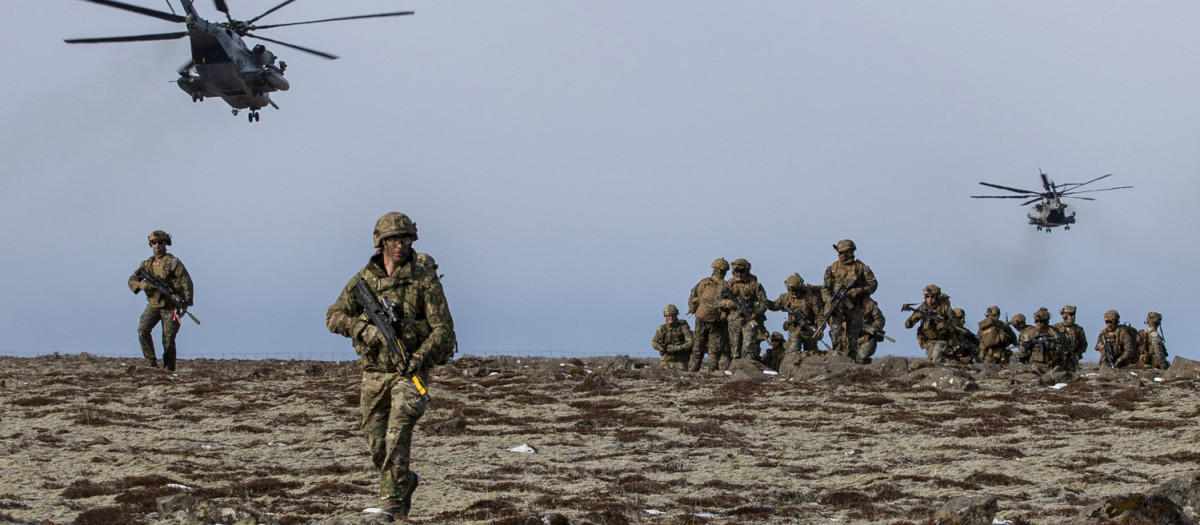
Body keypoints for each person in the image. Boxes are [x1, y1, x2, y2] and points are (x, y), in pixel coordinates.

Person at [326, 212, 456, 519]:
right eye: (395, 239)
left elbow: (443, 329)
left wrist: (419, 357)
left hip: (409, 373)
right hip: (374, 374)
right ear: (381, 242)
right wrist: (363, 329)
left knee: (397, 436)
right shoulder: (364, 280)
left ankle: (392, 506)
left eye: (406, 238)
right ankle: (405, 481)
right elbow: (333, 316)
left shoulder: (423, 278)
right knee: (376, 444)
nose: (401, 245)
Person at [127, 230, 193, 372]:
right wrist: (141, 285)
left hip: (170, 306)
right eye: (154, 243)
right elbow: (132, 280)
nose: (157, 245)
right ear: (150, 245)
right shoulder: (147, 264)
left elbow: (186, 281)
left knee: (168, 339)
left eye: (160, 242)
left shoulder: (172, 262)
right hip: (154, 304)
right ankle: (151, 362)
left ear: (166, 243)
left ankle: (169, 369)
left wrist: (185, 302)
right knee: (142, 330)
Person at [822, 239, 878, 359]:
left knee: (853, 336)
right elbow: (825, 288)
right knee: (836, 333)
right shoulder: (833, 267)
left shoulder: (861, 268)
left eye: (842, 252)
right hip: (836, 307)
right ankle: (837, 358)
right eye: (839, 252)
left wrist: (858, 291)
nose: (839, 255)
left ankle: (852, 361)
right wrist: (829, 300)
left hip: (854, 307)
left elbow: (873, 285)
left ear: (849, 252)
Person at [688, 258, 735, 372]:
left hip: (701, 319)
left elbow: (692, 297)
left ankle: (692, 372)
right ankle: (709, 374)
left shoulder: (703, 282)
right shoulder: (726, 285)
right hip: (716, 323)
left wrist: (694, 309)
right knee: (714, 352)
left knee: (697, 350)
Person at [766, 273, 824, 357]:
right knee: (792, 352)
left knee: (812, 355)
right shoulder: (786, 297)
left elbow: (819, 315)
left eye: (796, 290)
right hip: (794, 329)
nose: (794, 293)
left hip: (809, 330)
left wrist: (820, 328)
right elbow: (775, 306)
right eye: (792, 291)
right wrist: (764, 301)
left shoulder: (811, 297)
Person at [726, 258, 768, 361]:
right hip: (734, 320)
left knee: (748, 346)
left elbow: (764, 302)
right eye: (736, 272)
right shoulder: (729, 284)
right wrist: (727, 303)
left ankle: (746, 367)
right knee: (734, 347)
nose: (738, 274)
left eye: (741, 272)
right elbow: (717, 300)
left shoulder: (755, 285)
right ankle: (735, 369)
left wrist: (756, 313)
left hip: (749, 320)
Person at [904, 284, 957, 363]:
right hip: (929, 341)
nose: (930, 299)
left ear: (937, 296)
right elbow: (907, 325)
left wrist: (945, 326)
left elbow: (955, 323)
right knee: (930, 363)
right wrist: (915, 317)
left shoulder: (944, 307)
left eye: (932, 296)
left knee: (937, 359)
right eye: (927, 297)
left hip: (942, 339)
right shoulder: (923, 307)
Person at [652, 304, 693, 370]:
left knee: (680, 372)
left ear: (676, 315)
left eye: (673, 316)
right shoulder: (661, 329)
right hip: (666, 360)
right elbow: (654, 342)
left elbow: (690, 343)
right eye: (668, 316)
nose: (670, 318)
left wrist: (677, 348)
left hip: (681, 361)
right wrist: (660, 347)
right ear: (665, 316)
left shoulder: (683, 327)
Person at [1054, 305, 1087, 372]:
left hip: (1072, 360)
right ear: (1065, 316)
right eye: (1071, 315)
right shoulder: (1056, 328)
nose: (1073, 317)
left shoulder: (1078, 329)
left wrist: (1077, 353)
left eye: (1074, 314)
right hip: (1058, 359)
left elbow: (1084, 344)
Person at [854, 298, 886, 364]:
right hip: (849, 339)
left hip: (867, 338)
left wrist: (873, 327)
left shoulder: (869, 304)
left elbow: (880, 319)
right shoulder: (844, 304)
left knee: (860, 359)